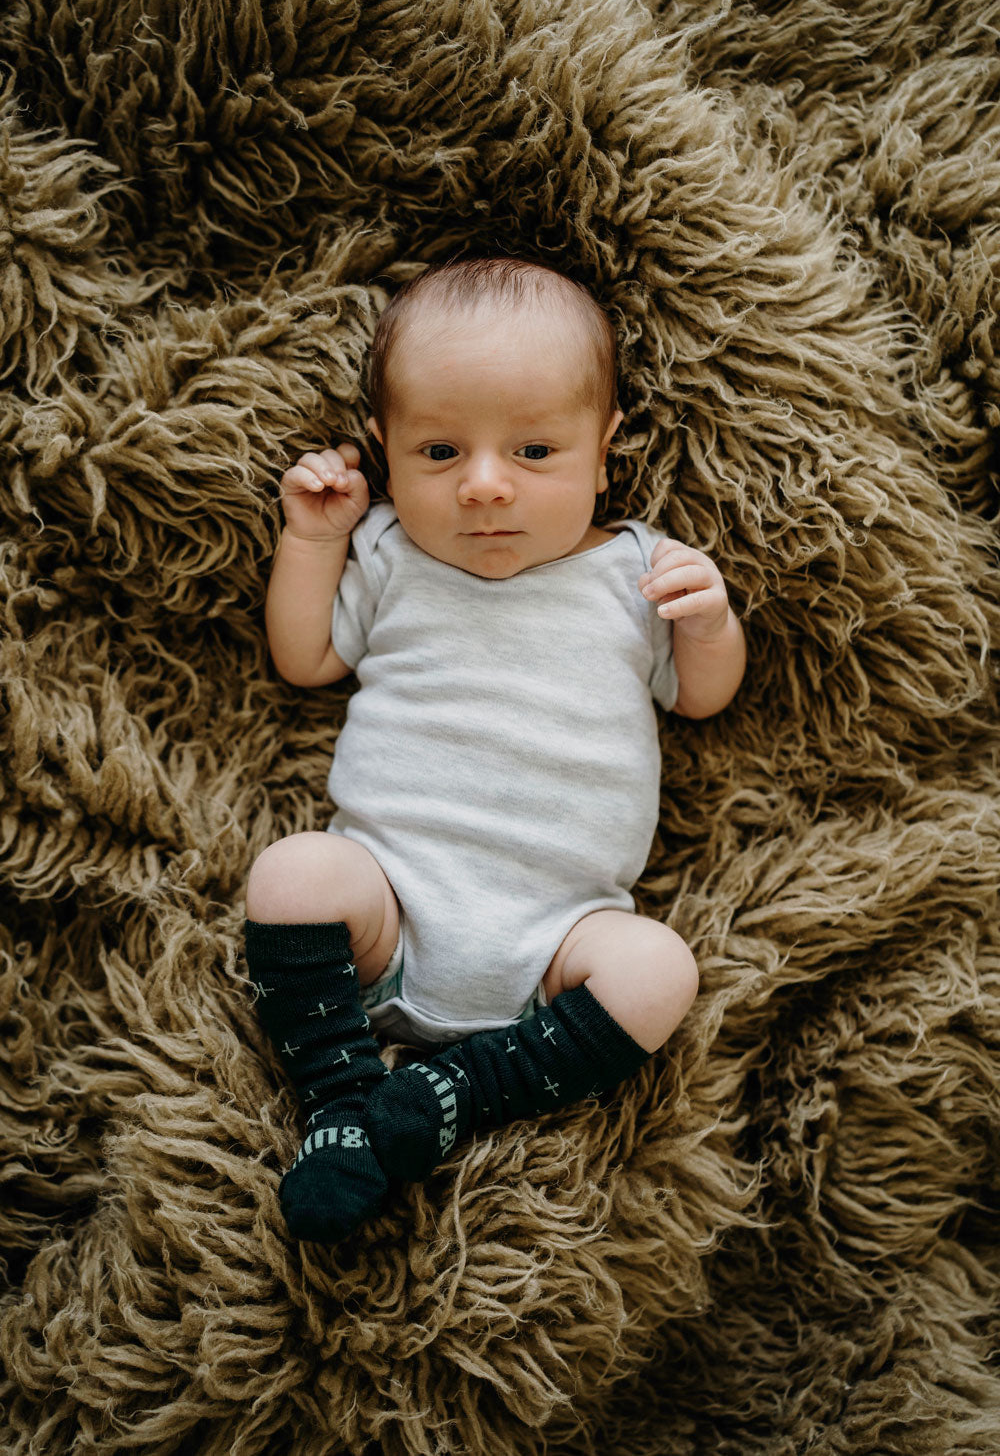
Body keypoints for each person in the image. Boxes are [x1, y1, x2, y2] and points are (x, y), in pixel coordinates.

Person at [243, 257, 746, 1242]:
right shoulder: (387, 552)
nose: (482, 486)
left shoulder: (638, 571)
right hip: (388, 915)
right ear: (383, 450)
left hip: (555, 950)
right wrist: (314, 543)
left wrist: (709, 622)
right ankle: (343, 1102)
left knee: (657, 972)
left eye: (532, 450)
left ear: (603, 450)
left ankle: (453, 1091)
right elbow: (305, 659)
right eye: (437, 452)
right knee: (294, 873)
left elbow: (699, 699)